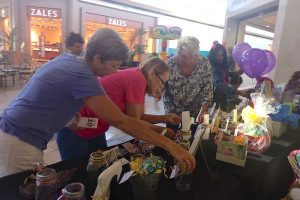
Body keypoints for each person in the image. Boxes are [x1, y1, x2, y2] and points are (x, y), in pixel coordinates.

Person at [0, 28, 195, 178]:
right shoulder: (84, 74)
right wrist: (171, 146)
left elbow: (47, 94)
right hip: (19, 140)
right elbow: (122, 122)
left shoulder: (69, 60)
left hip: (13, 133)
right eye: (112, 66)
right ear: (97, 58)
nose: (113, 72)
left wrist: (67, 116)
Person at [57, 57, 181, 160]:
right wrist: (163, 133)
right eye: (162, 82)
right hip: (75, 125)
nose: (162, 87)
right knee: (77, 173)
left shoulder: (138, 77)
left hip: (94, 128)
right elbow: (134, 124)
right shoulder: (137, 79)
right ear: (152, 74)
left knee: (98, 165)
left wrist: (165, 118)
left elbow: (139, 117)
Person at [163, 36, 213, 120]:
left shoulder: (204, 63)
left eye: (193, 56)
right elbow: (163, 89)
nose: (190, 60)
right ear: (178, 53)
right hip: (173, 113)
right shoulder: (169, 65)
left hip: (196, 113)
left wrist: (204, 110)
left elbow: (207, 90)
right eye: (184, 56)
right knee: (172, 132)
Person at [208, 43, 250, 112]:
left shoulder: (221, 65)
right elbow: (219, 85)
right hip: (215, 98)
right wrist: (239, 92)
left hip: (223, 96)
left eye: (222, 55)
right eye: (218, 55)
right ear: (213, 56)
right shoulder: (213, 68)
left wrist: (237, 73)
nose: (221, 57)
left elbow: (226, 73)